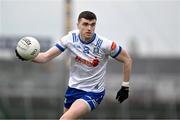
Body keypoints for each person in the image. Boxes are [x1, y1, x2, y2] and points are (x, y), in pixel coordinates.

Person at [15, 11, 132, 119]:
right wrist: (26, 56)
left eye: (93, 24)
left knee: (65, 119)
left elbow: (127, 59)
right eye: (85, 24)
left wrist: (125, 86)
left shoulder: (105, 45)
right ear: (78, 25)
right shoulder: (70, 39)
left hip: (93, 92)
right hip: (73, 90)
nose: (89, 28)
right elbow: (45, 57)